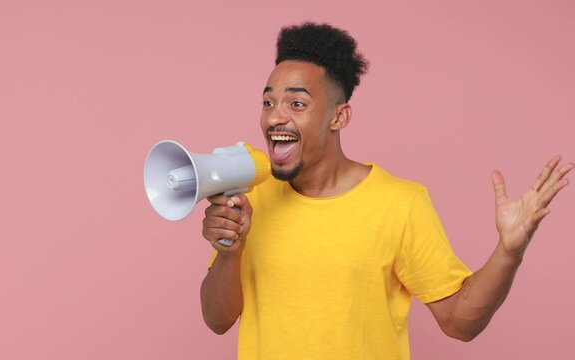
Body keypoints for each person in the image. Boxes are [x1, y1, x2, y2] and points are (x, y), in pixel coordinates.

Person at [199, 22, 573, 360]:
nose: (275, 117)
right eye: (268, 102)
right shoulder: (252, 199)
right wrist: (229, 252)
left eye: (297, 103)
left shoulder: (401, 204)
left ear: (339, 116)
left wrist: (509, 251)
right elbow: (217, 320)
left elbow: (460, 323)